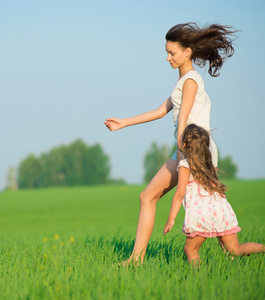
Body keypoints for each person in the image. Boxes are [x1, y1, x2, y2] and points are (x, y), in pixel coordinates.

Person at [105, 22, 237, 264]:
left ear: (187, 52)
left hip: (194, 150)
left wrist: (182, 157)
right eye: (166, 52)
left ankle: (249, 251)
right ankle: (137, 258)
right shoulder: (184, 80)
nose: (168, 58)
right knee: (148, 197)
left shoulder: (190, 81)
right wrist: (124, 122)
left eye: (172, 53)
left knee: (209, 210)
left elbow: (184, 121)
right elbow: (159, 111)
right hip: (186, 149)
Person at [163, 124, 265, 266]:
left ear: (184, 145)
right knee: (235, 249)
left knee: (190, 250)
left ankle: (199, 277)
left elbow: (179, 193)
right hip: (221, 212)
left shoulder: (185, 165)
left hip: (201, 216)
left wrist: (171, 219)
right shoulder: (207, 164)